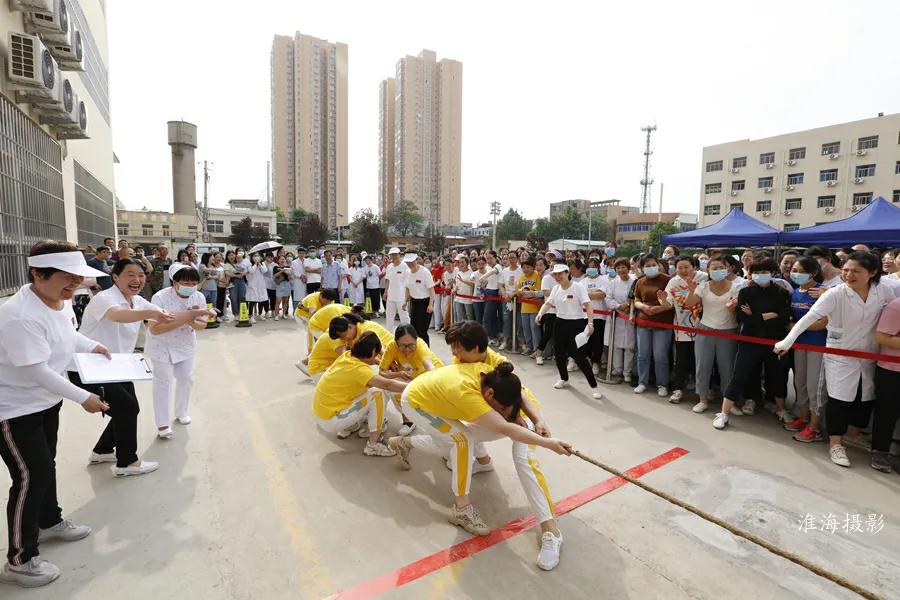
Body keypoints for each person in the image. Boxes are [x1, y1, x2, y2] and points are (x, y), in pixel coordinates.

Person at [388, 331, 571, 570]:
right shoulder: (468, 381)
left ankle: (550, 529)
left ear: (475, 350)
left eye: (458, 348)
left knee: (523, 458)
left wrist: (536, 421)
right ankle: (461, 508)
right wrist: (551, 443)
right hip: (419, 403)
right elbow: (501, 425)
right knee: (461, 440)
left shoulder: (493, 366)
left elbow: (519, 395)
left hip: (519, 411)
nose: (455, 354)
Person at [0, 241, 112, 588]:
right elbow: (36, 369)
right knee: (31, 475)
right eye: (67, 278)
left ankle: (50, 520)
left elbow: (66, 335)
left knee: (45, 466)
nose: (74, 285)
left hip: (45, 403)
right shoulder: (17, 315)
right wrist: (84, 397)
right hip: (13, 409)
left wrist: (91, 345)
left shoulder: (59, 302)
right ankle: (20, 558)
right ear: (37, 273)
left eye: (77, 278)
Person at [775, 252, 898, 468]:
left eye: (855, 271)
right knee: (839, 400)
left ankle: (852, 435)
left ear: (872, 273)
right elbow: (808, 318)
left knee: (864, 398)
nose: (848, 275)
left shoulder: (885, 292)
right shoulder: (835, 294)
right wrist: (787, 341)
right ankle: (835, 443)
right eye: (846, 270)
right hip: (841, 355)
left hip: (869, 356)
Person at [70, 258, 186, 477]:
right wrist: (152, 314)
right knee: (126, 408)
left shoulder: (138, 301)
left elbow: (164, 314)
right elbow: (118, 316)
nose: (137, 280)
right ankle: (127, 462)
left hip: (117, 366)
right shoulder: (105, 299)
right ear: (115, 277)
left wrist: (193, 314)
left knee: (128, 408)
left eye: (141, 275)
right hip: (88, 367)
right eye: (130, 275)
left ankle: (102, 450)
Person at [714, 257, 791, 430]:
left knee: (777, 376)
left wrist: (755, 316)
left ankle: (781, 409)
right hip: (749, 340)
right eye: (755, 272)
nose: (759, 275)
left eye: (764, 272)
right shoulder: (745, 292)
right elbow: (742, 318)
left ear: (772, 273)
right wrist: (769, 315)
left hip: (774, 341)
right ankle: (724, 412)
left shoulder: (781, 292)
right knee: (739, 374)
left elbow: (784, 318)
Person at [145, 266, 215, 439]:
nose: (190, 286)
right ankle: (162, 424)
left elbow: (202, 325)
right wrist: (189, 316)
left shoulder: (198, 296)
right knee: (164, 383)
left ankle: (181, 411)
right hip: (161, 345)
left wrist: (190, 318)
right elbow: (155, 329)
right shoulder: (159, 298)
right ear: (175, 282)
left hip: (185, 344)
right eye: (185, 283)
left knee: (186, 379)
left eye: (193, 283)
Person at [312, 332, 407, 456]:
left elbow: (370, 366)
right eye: (376, 354)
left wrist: (380, 363)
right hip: (332, 420)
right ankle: (373, 444)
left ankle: (351, 425)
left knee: (366, 388)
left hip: (322, 414)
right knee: (377, 393)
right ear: (372, 352)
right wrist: (415, 386)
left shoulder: (347, 356)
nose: (376, 358)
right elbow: (387, 385)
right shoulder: (359, 370)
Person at [536, 264, 603, 399]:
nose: (558, 277)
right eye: (555, 274)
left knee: (579, 357)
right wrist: (540, 314)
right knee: (559, 354)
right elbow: (548, 303)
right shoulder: (555, 288)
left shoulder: (578, 287)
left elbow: (588, 305)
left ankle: (594, 386)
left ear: (567, 273)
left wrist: (590, 323)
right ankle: (564, 378)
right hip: (560, 323)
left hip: (577, 324)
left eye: (561, 273)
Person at [780, 257, 829, 442]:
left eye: (800, 271)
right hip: (799, 345)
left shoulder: (821, 292)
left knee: (814, 387)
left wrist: (797, 326)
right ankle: (803, 418)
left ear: (813, 273)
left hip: (817, 346)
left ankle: (815, 428)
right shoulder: (795, 292)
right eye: (794, 270)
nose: (795, 274)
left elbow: (823, 323)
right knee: (800, 383)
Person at [657, 256, 707, 403]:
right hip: (682, 329)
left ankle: (704, 391)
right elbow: (667, 305)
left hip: (703, 327)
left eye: (686, 267)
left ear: (694, 267)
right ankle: (678, 389)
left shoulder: (703, 278)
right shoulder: (673, 282)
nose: (683, 270)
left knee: (701, 361)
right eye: (680, 268)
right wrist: (664, 299)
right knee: (681, 361)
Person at [380, 324, 444, 436]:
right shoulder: (392, 347)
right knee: (382, 387)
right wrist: (398, 373)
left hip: (429, 378)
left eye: (411, 345)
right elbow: (381, 371)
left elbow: (429, 366)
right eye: (403, 346)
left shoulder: (420, 345)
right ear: (396, 342)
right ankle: (405, 420)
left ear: (416, 340)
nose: (407, 349)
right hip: (409, 378)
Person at [631, 255, 674, 397]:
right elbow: (636, 299)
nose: (651, 267)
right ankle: (642, 382)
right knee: (642, 354)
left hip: (662, 323)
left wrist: (659, 308)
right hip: (643, 322)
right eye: (647, 265)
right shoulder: (640, 282)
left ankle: (662, 384)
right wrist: (643, 307)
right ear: (642, 268)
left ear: (658, 264)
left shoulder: (668, 280)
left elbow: (672, 302)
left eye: (653, 264)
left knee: (660, 355)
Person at [873, 295, 900, 473]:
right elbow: (881, 336)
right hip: (892, 370)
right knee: (887, 413)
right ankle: (880, 451)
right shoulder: (896, 306)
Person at [603, 258, 636, 383]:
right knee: (616, 345)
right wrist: (618, 306)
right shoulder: (613, 283)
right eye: (618, 268)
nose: (621, 270)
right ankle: (617, 368)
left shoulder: (635, 281)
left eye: (623, 267)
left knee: (629, 346)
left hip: (631, 315)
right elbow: (608, 299)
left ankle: (627, 371)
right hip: (617, 317)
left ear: (628, 268)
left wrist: (629, 306)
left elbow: (636, 296)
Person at [581, 257, 608, 374]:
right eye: (589, 267)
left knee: (597, 341)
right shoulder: (583, 281)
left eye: (594, 267)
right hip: (584, 315)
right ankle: (584, 361)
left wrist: (585, 294)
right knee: (585, 340)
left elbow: (601, 295)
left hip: (599, 316)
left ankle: (596, 362)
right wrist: (592, 294)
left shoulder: (603, 280)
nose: (591, 269)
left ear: (598, 268)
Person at [403, 253, 435, 345]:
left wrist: (431, 304)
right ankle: (416, 350)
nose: (410, 264)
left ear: (416, 260)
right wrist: (405, 301)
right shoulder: (408, 273)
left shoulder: (425, 272)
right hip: (414, 303)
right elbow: (407, 288)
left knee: (422, 331)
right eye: (408, 263)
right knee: (413, 330)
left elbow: (431, 289)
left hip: (425, 303)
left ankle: (426, 352)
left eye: (412, 262)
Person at [515, 258, 542, 357]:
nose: (526, 269)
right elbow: (517, 291)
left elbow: (538, 290)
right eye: (524, 267)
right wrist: (520, 292)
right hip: (524, 307)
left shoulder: (537, 276)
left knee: (534, 329)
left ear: (532, 267)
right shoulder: (521, 277)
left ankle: (536, 349)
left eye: (528, 267)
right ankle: (529, 347)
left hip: (534, 307)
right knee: (526, 329)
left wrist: (530, 292)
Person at [499, 252, 523, 350]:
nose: (511, 260)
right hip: (507, 299)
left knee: (519, 321)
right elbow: (501, 285)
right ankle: (505, 341)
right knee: (506, 320)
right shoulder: (504, 271)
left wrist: (515, 294)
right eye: (509, 258)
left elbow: (523, 285)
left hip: (519, 299)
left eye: (513, 258)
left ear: (517, 258)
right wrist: (504, 294)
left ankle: (521, 342)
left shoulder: (521, 270)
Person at [382, 248, 410, 326]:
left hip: (401, 296)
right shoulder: (389, 266)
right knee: (389, 317)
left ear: (399, 255)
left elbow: (408, 282)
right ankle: (390, 335)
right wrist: (385, 292)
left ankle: (408, 334)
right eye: (392, 255)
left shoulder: (405, 266)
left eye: (395, 254)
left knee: (404, 317)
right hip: (390, 296)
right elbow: (387, 280)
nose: (394, 256)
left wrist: (407, 296)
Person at [245, 253, 269, 323]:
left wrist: (260, 264)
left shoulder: (262, 264)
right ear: (252, 257)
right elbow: (251, 271)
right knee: (252, 300)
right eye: (255, 256)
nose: (256, 257)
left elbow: (265, 270)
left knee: (261, 300)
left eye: (258, 256)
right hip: (253, 285)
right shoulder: (249, 264)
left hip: (261, 285)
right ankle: (251, 316)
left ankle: (260, 314)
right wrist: (255, 264)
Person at [453, 256, 476, 323]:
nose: (461, 264)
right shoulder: (458, 273)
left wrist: (463, 280)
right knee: (460, 317)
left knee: (469, 317)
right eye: (460, 262)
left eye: (463, 262)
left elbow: (473, 284)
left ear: (467, 263)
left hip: (468, 299)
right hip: (458, 298)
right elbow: (457, 285)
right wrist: (454, 289)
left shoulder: (472, 273)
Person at [273, 255, 293, 320]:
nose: (282, 260)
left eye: (283, 259)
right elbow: (275, 275)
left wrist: (283, 270)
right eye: (281, 259)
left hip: (287, 284)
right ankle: (276, 315)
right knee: (278, 300)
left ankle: (284, 314)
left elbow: (290, 275)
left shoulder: (288, 267)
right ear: (278, 260)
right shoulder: (275, 267)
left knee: (286, 300)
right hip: (279, 285)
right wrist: (281, 271)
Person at [290, 247, 308, 313]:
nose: (302, 255)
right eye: (300, 253)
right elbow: (294, 271)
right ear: (298, 254)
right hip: (298, 281)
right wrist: (301, 276)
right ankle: (296, 312)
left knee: (305, 297)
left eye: (303, 253)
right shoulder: (294, 262)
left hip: (306, 281)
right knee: (297, 297)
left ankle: (304, 313)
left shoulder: (307, 261)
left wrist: (306, 278)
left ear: (305, 254)